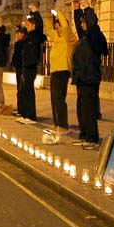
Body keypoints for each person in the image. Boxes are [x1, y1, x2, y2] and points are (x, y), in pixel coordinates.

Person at [72, 2, 108, 149]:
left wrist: (87, 9)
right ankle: (84, 134)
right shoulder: (85, 36)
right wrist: (77, 10)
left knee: (89, 109)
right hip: (81, 77)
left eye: (84, 22)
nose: (81, 25)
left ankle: (92, 137)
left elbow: (92, 22)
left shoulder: (95, 35)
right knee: (81, 108)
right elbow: (78, 26)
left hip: (90, 77)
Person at [45, 7, 76, 135]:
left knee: (59, 98)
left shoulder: (68, 38)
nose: (57, 30)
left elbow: (65, 27)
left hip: (63, 70)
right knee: (54, 99)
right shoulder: (57, 38)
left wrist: (59, 13)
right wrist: (48, 18)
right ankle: (57, 124)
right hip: (54, 70)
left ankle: (63, 125)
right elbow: (48, 30)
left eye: (59, 28)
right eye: (56, 28)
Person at [17, 12, 46, 124]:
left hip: (31, 66)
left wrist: (35, 12)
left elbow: (40, 25)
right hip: (26, 66)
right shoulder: (28, 36)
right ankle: (25, 115)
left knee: (29, 92)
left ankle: (31, 116)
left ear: (34, 26)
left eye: (29, 25)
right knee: (24, 91)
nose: (27, 27)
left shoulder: (36, 36)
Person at [11, 26, 27, 117]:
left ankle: (22, 109)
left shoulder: (22, 44)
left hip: (21, 67)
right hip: (18, 67)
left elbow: (18, 56)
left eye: (18, 34)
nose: (17, 36)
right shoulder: (18, 43)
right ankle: (20, 108)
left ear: (23, 34)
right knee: (19, 88)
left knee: (21, 89)